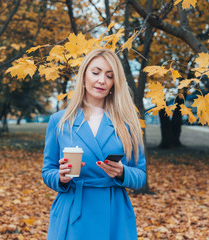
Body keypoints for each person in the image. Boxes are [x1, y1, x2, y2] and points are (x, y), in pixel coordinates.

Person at [42, 48, 146, 240]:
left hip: (113, 212)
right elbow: (48, 171)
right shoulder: (60, 121)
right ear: (83, 76)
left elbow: (140, 176)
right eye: (96, 72)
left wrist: (123, 173)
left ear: (114, 83)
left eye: (109, 76)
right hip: (73, 209)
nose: (102, 80)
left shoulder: (128, 122)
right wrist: (61, 177)